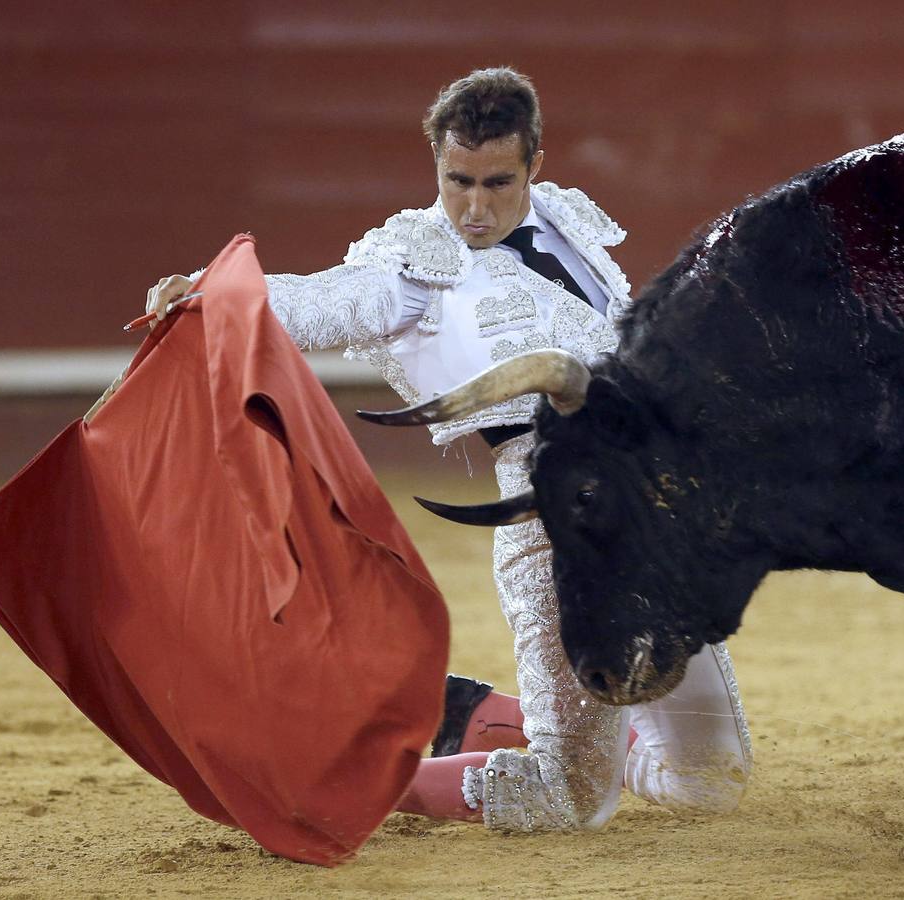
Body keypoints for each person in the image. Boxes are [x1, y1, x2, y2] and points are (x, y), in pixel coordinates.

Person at [148, 67, 750, 833]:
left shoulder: (569, 221)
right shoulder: (410, 266)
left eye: (496, 182)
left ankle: (479, 714)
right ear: (436, 162)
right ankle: (327, 776)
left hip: (656, 511)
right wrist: (203, 290)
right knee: (567, 799)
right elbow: (311, 301)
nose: (472, 206)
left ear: (535, 163)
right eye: (455, 180)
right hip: (551, 516)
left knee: (709, 784)